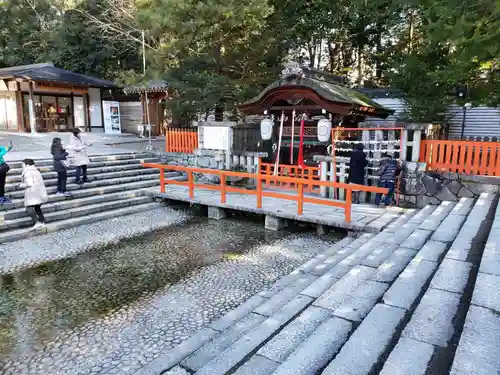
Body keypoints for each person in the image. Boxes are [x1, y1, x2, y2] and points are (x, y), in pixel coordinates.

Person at [19, 158, 48, 230]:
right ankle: (42, 222)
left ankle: (37, 222)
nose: (22, 165)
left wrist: (21, 185)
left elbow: (29, 183)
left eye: (23, 164)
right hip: (40, 192)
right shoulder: (36, 170)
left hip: (32, 193)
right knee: (37, 207)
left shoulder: (27, 171)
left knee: (29, 208)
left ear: (27, 164)